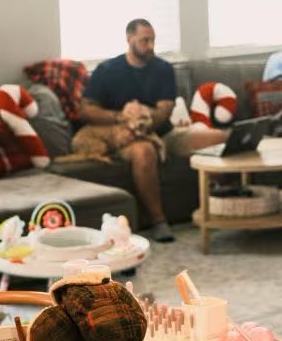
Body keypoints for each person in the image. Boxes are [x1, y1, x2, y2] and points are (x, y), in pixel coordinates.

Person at [77, 19, 227, 242]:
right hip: (126, 136)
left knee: (220, 137)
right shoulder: (107, 71)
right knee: (144, 152)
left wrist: (145, 120)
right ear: (129, 39)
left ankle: (229, 204)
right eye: (144, 40)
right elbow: (86, 110)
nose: (150, 46)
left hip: (164, 133)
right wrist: (121, 118)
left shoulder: (163, 69)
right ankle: (159, 221)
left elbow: (165, 109)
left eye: (153, 40)